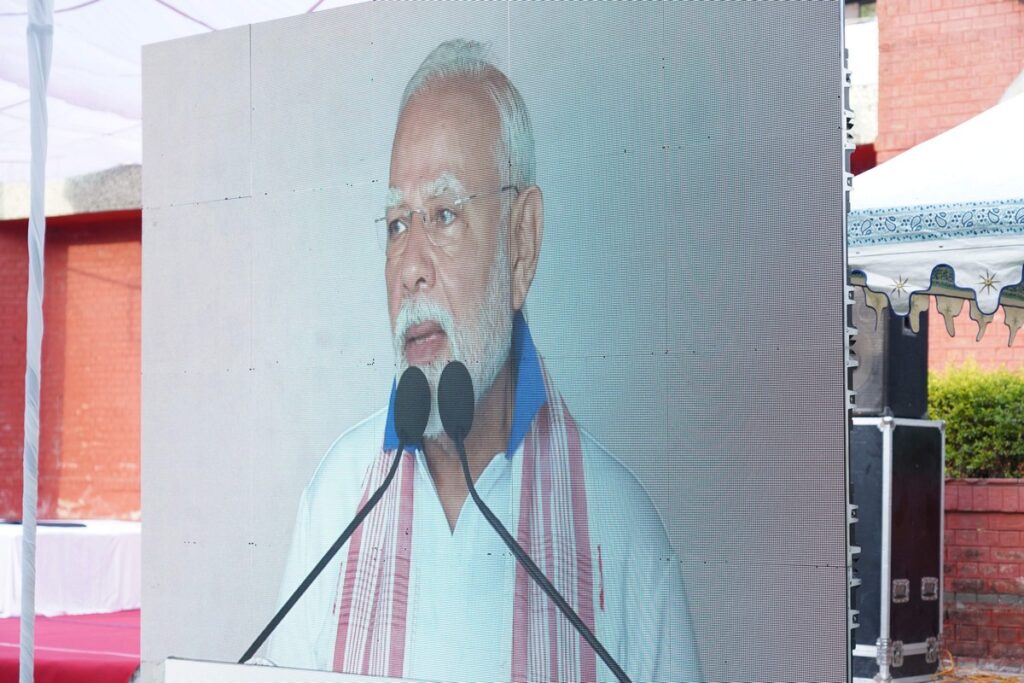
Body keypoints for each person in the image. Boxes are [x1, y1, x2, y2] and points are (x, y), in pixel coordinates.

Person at [267, 39, 700, 682]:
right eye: (396, 224)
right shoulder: (337, 496)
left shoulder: (623, 531)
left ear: (522, 243)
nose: (410, 268)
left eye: (443, 215)